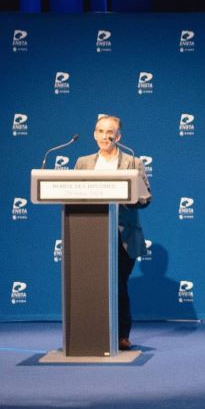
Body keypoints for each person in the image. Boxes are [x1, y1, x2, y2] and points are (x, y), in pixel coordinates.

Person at [73, 113, 154, 348]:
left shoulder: (132, 162)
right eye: (100, 131)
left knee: (117, 284)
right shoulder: (83, 163)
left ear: (118, 136)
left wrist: (128, 196)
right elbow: (73, 194)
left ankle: (121, 335)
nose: (105, 136)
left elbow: (146, 197)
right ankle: (91, 332)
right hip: (90, 234)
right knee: (90, 286)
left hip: (122, 235)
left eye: (110, 132)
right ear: (94, 134)